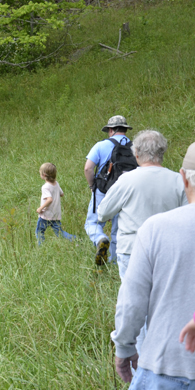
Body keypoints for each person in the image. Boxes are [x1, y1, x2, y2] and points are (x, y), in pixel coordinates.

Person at [111, 142, 195, 390]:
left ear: (184, 178)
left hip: (166, 366)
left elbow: (132, 299)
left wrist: (124, 346)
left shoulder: (155, 228)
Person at [98, 130, 187, 280]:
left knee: (132, 295)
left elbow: (102, 213)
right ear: (162, 152)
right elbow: (188, 218)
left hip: (132, 249)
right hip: (167, 250)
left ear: (136, 153)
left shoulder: (126, 180)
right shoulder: (179, 181)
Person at [84, 115, 132, 265]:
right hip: (127, 191)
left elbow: (88, 168)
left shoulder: (101, 145)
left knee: (93, 223)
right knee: (118, 228)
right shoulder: (135, 146)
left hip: (104, 190)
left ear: (111, 130)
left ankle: (100, 238)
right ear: (125, 129)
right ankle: (115, 261)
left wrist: (92, 186)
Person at [35, 163, 75, 244]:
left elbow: (49, 199)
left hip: (45, 215)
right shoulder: (56, 184)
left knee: (39, 232)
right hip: (55, 215)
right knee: (60, 232)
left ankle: (41, 246)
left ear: (44, 175)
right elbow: (62, 194)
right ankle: (75, 239)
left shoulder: (45, 187)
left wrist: (40, 208)